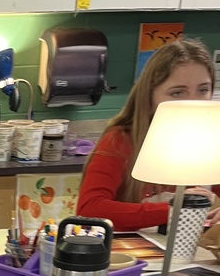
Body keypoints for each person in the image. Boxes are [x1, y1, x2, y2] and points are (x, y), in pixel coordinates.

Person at [77, 38, 220, 232]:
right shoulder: (121, 141)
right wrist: (174, 210)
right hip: (133, 256)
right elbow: (89, 210)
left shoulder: (212, 142)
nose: (193, 102)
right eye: (177, 93)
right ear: (150, 96)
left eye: (203, 90)